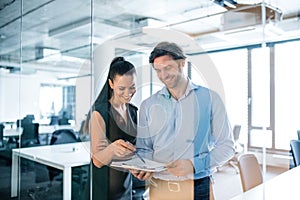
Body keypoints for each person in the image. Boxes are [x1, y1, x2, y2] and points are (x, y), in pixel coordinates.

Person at [132, 42, 235, 200]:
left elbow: (227, 147)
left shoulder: (210, 99)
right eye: (158, 70)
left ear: (182, 64)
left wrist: (194, 165)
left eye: (168, 68)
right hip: (159, 186)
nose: (163, 75)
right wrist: (141, 166)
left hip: (198, 186)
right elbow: (144, 149)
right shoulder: (148, 105)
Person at [82, 57, 138, 200]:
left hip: (125, 187)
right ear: (111, 84)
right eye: (121, 88)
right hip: (102, 191)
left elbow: (136, 149)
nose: (128, 93)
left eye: (132, 87)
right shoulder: (100, 113)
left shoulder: (133, 111)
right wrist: (112, 149)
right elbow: (97, 160)